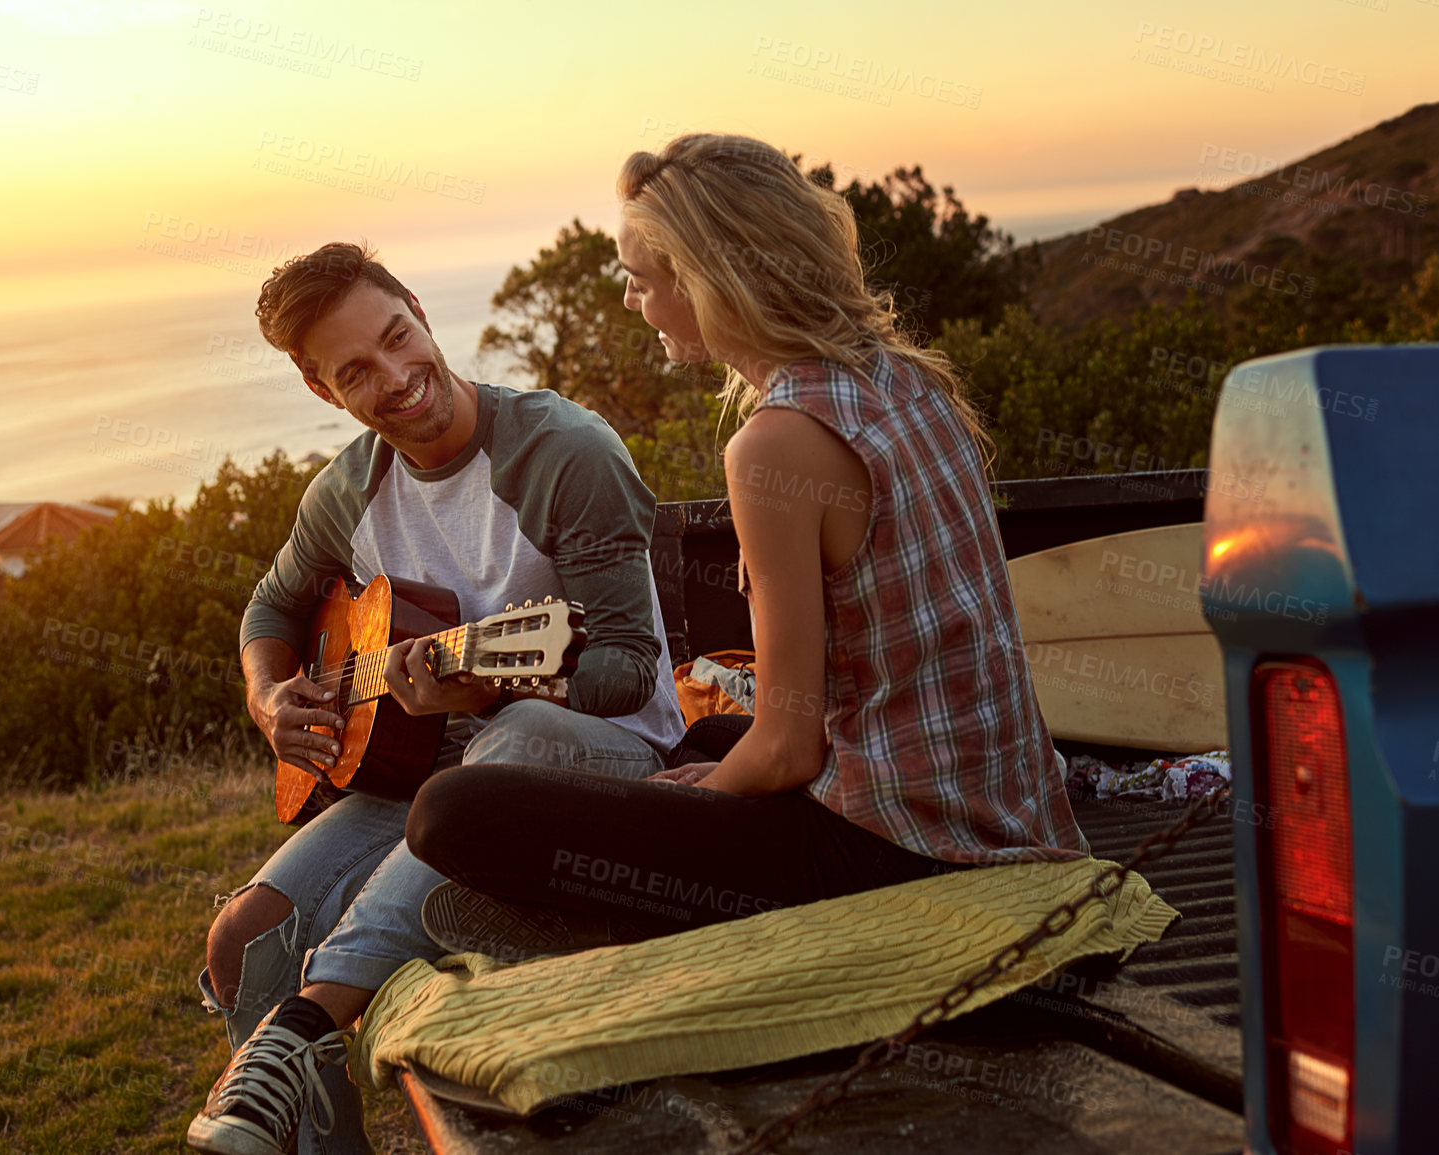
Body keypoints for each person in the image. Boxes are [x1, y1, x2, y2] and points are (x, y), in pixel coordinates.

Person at [404, 133, 1090, 960]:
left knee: (449, 811)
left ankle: (613, 927)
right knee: (698, 745)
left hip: (904, 854)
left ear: (707, 284)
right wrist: (712, 779)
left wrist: (716, 793)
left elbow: (786, 748)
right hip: (1000, 800)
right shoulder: (904, 374)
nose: (630, 303)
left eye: (640, 281)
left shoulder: (774, 447)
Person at [185, 242, 686, 1155]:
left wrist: (483, 686)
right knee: (243, 941)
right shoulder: (346, 491)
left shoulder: (563, 451)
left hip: (601, 751)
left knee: (524, 723)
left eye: (397, 336)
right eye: (356, 372)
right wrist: (268, 696)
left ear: (417, 306)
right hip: (430, 765)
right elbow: (273, 603)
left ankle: (305, 1021)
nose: (397, 378)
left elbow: (630, 672)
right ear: (320, 390)